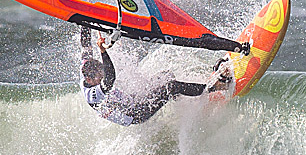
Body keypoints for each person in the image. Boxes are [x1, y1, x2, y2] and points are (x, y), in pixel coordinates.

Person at [80, 26, 229, 126]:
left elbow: (85, 43)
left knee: (166, 76)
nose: (101, 77)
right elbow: (111, 78)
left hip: (132, 100)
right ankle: (216, 87)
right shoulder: (94, 95)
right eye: (99, 77)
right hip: (135, 114)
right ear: (89, 80)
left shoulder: (86, 66)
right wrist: (103, 51)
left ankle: (189, 100)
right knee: (171, 87)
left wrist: (84, 21)